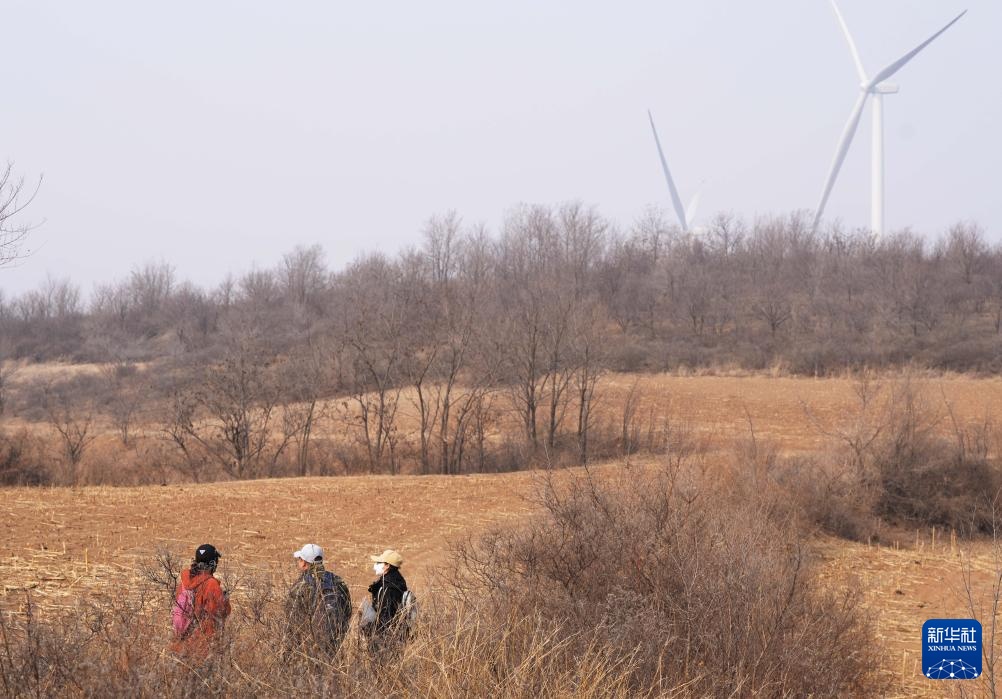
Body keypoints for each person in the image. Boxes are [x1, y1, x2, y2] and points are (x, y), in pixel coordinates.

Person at [284, 543, 352, 660]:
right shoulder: (337, 581)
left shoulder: (301, 585)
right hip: (333, 641)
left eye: (299, 559)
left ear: (304, 563)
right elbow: (348, 610)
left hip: (307, 645)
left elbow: (291, 618)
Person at [170, 543, 231, 657]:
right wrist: (225, 600)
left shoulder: (184, 582)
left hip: (179, 643)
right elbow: (220, 612)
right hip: (201, 647)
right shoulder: (211, 584)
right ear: (213, 563)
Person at [361, 549, 409, 648]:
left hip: (387, 640)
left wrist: (369, 629)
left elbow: (386, 619)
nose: (375, 566)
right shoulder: (396, 580)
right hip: (396, 636)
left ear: (387, 566)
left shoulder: (388, 588)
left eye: (379, 563)